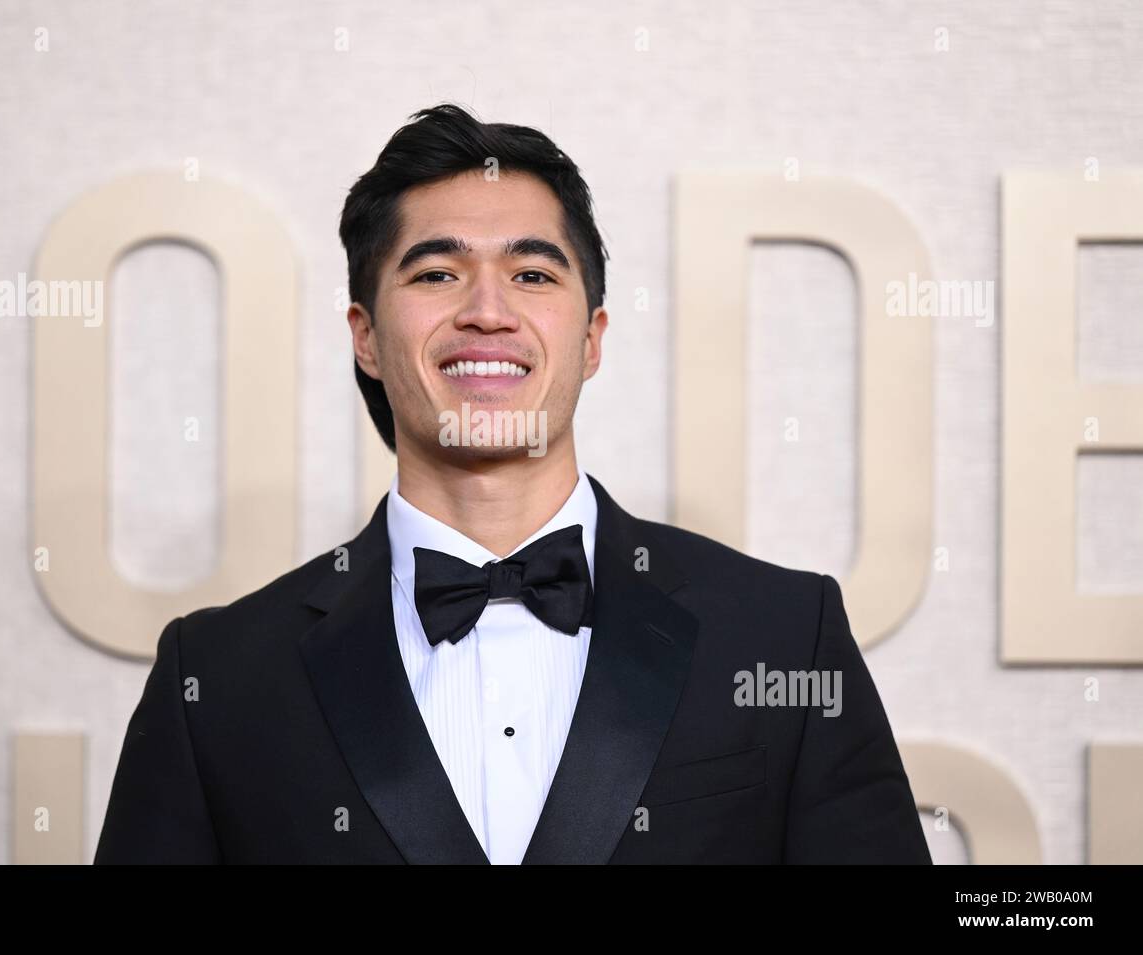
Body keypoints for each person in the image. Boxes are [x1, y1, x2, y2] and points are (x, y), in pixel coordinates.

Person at [94, 103, 930, 864]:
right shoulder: (217, 678)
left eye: (533, 274)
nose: (487, 310)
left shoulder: (782, 636)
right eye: (435, 274)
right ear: (367, 338)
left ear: (593, 338)